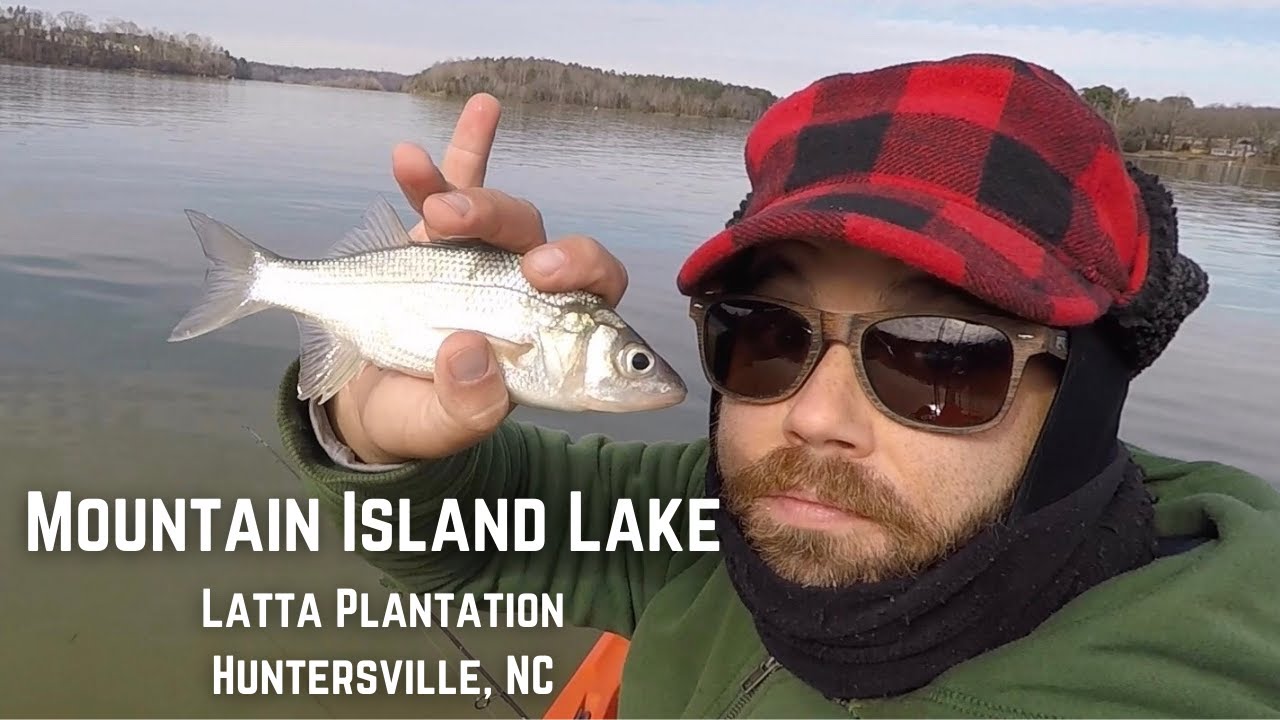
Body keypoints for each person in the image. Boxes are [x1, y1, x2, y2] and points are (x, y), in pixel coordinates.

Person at [275, 53, 1280, 717]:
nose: (811, 415)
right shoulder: (716, 523)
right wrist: (374, 426)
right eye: (764, 334)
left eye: (937, 356)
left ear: (1084, 396)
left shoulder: (1190, 676)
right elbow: (482, 532)